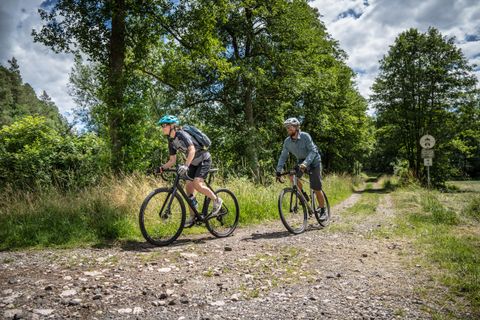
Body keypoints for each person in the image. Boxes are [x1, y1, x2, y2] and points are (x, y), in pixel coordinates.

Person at [156, 115, 222, 226]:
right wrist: (162, 168)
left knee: (197, 184)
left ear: (172, 126)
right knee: (189, 189)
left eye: (164, 125)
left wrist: (186, 165)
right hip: (192, 163)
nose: (162, 128)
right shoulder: (171, 141)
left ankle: (217, 200)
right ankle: (193, 216)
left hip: (203, 159)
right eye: (162, 126)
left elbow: (192, 150)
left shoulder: (182, 134)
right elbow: (172, 160)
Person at [275, 117, 326, 218]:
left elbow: (313, 151)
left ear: (296, 127)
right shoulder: (287, 142)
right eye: (287, 127)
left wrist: (305, 164)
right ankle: (303, 196)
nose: (288, 129)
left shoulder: (305, 136)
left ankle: (323, 209)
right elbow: (283, 156)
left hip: (314, 161)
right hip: (301, 161)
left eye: (290, 127)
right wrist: (278, 170)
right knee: (291, 176)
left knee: (316, 187)